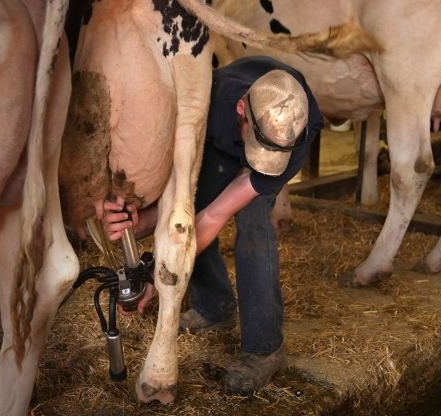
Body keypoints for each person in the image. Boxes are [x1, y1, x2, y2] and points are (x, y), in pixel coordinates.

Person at [101, 55, 323, 393]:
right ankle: (215, 307)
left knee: (252, 222)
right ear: (240, 111)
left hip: (274, 128)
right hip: (217, 126)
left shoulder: (293, 137)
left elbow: (219, 215)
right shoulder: (206, 104)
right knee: (191, 205)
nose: (259, 158)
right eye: (255, 142)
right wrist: (144, 219)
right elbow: (194, 213)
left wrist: (154, 278)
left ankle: (265, 348)